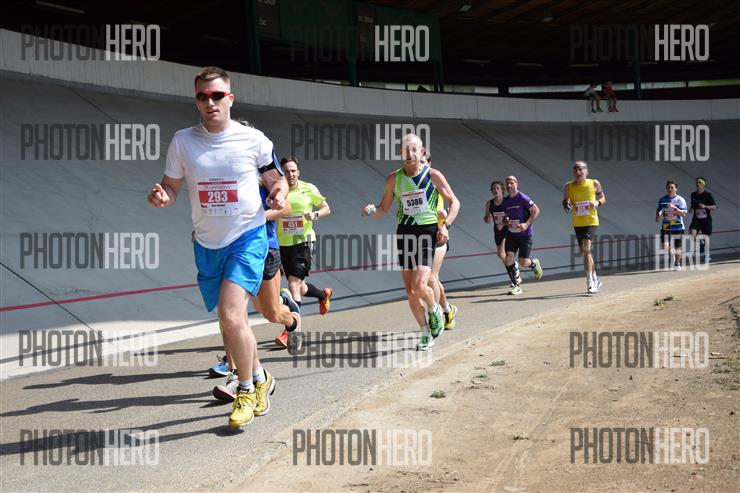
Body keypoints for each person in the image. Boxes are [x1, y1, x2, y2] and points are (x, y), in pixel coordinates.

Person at [147, 66, 287, 428]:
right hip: (208, 243)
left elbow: (276, 179)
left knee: (231, 313)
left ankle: (245, 391)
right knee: (231, 321)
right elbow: (171, 185)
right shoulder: (183, 142)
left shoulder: (253, 139)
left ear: (230, 99)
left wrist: (278, 190)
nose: (210, 102)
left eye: (217, 95)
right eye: (202, 96)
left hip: (248, 236)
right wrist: (164, 196)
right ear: (196, 101)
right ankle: (261, 377)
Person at [362, 133, 460, 351]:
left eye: (414, 149)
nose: (409, 154)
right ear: (400, 153)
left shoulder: (433, 175)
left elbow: (455, 203)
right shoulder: (393, 179)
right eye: (405, 150)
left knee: (420, 285)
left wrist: (445, 226)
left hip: (427, 232)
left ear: (421, 152)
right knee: (411, 292)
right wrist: (372, 210)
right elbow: (384, 208)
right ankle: (425, 332)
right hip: (405, 233)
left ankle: (434, 309)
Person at [276, 157, 334, 326]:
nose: (290, 174)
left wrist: (315, 214)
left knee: (293, 284)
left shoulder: (308, 188)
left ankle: (293, 328)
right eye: (286, 171)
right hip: (283, 244)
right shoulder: (277, 191)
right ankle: (323, 295)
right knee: (300, 287)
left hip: (303, 242)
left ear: (298, 172)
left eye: (293, 171)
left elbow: (326, 208)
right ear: (281, 173)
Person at [562, 161, 606, 293]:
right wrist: (567, 205)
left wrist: (597, 203)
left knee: (586, 249)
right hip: (578, 222)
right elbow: (565, 200)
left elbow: (603, 198)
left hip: (591, 221)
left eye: (580, 169)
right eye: (575, 169)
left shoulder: (594, 183)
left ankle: (589, 282)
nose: (577, 172)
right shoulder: (569, 186)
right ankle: (596, 279)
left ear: (586, 171)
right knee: (585, 253)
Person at [424, 154, 457, 330]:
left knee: (431, 278)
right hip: (422, 235)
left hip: (438, 235)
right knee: (434, 280)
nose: (419, 165)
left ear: (429, 163)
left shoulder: (434, 179)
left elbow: (453, 202)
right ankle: (448, 309)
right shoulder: (411, 182)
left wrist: (445, 216)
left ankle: (434, 318)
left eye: (423, 162)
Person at [501, 176, 543, 295]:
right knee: (508, 258)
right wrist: (506, 221)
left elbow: (536, 210)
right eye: (507, 183)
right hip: (511, 234)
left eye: (511, 183)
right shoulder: (506, 201)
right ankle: (516, 285)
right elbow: (506, 216)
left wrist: (526, 224)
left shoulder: (523, 198)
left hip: (525, 235)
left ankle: (534, 263)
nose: (509, 185)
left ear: (517, 184)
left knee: (523, 262)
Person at [656, 180, 688, 271]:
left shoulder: (680, 200)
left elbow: (684, 214)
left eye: (672, 187)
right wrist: (658, 215)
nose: (670, 189)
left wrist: (674, 208)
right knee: (664, 246)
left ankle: (677, 264)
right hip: (666, 225)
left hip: (678, 226)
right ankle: (671, 252)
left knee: (677, 247)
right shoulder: (662, 200)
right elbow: (659, 211)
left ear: (676, 189)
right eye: (668, 188)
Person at [484, 180, 510, 287]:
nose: (496, 190)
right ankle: (513, 269)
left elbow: (512, 217)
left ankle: (514, 272)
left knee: (501, 253)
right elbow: (486, 218)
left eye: (498, 188)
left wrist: (503, 223)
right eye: (494, 189)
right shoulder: (489, 204)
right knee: (502, 255)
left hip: (507, 230)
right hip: (497, 231)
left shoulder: (507, 201)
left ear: (502, 189)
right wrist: (487, 218)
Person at [689, 176, 717, 262]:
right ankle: (700, 242)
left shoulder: (708, 195)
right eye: (697, 182)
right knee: (692, 234)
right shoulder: (693, 194)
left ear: (703, 185)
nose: (698, 184)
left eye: (700, 183)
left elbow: (715, 207)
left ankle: (707, 255)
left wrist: (705, 206)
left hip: (706, 219)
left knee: (706, 237)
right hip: (696, 219)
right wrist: (690, 209)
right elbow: (692, 204)